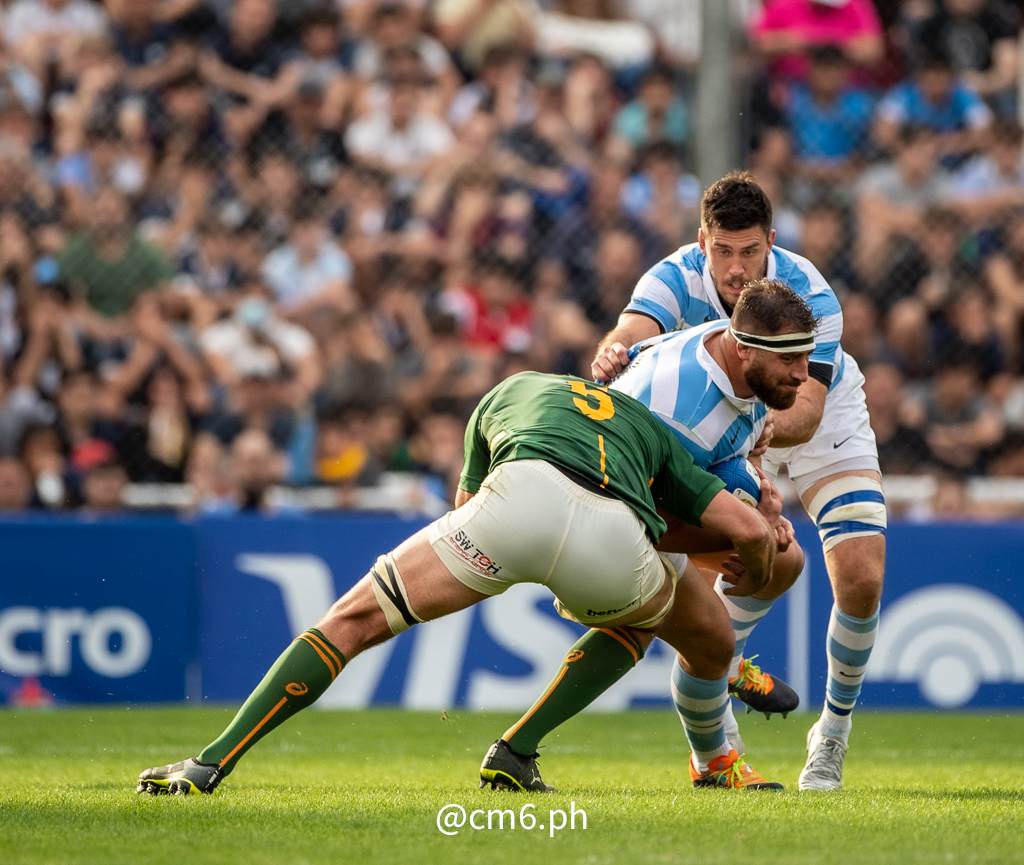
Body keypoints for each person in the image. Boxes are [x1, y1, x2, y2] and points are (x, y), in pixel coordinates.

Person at [137, 369, 785, 795]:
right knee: (655, 626)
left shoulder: (508, 392)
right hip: (611, 545)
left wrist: (494, 566)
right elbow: (748, 531)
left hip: (510, 501)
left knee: (352, 620)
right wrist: (748, 571)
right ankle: (521, 746)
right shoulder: (651, 431)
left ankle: (208, 764)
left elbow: (466, 503)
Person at [590, 171, 887, 791]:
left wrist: (745, 458)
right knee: (739, 568)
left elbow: (803, 414)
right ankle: (720, 688)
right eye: (722, 251)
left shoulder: (810, 293)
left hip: (800, 414)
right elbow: (630, 336)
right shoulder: (673, 276)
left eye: (750, 251)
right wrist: (613, 353)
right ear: (703, 240)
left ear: (771, 242)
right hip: (723, 425)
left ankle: (830, 735)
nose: (735, 268)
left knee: (861, 576)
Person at [477, 280, 812, 792]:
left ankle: (725, 680)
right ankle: (713, 745)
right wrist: (747, 530)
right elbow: (647, 516)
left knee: (779, 563)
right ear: (745, 346)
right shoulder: (683, 414)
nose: (802, 374)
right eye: (790, 359)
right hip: (596, 512)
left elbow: (727, 443)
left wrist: (755, 487)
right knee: (673, 623)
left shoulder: (726, 348)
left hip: (612, 496)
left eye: (804, 356)